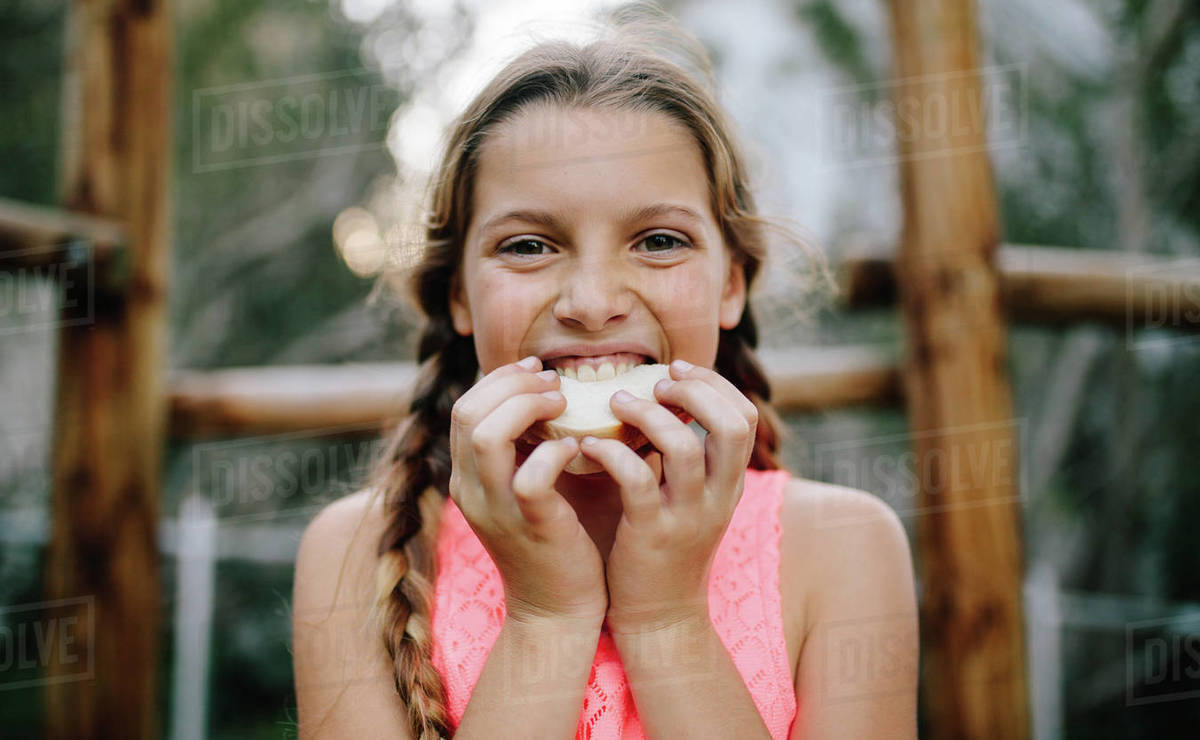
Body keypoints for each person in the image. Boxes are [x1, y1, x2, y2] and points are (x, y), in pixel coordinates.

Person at [292, 9, 917, 739]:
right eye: (528, 246)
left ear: (731, 284)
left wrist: (667, 617)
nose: (592, 304)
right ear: (459, 293)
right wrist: (545, 618)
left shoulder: (843, 546)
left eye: (658, 241)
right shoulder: (355, 558)